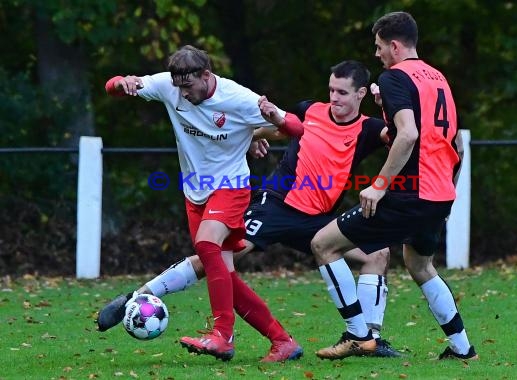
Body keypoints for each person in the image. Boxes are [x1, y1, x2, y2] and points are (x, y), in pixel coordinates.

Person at [97, 60, 401, 358]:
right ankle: (140, 295)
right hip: (277, 206)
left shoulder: (369, 129)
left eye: (343, 93)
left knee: (377, 254)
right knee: (213, 258)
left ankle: (367, 338)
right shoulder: (309, 109)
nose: (334, 98)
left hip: (319, 220)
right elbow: (275, 129)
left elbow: (401, 138)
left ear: (361, 94)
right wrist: (250, 140)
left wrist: (386, 103)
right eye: (331, 90)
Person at [103, 45, 306, 362]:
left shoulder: (237, 97)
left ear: (207, 75)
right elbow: (111, 87)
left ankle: (222, 335)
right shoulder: (170, 86)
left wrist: (273, 117)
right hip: (194, 192)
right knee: (224, 276)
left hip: (231, 186)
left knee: (207, 245)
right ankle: (283, 341)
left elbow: (297, 129)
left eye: (188, 86)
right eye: (178, 87)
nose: (182, 94)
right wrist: (122, 83)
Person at [310, 12, 478, 361]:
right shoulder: (437, 79)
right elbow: (455, 146)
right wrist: (446, 197)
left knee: (323, 244)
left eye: (379, 46)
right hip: (439, 193)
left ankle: (359, 336)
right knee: (419, 264)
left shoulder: (394, 78)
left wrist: (379, 185)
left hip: (410, 193)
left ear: (395, 45)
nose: (377, 54)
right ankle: (463, 350)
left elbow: (409, 134)